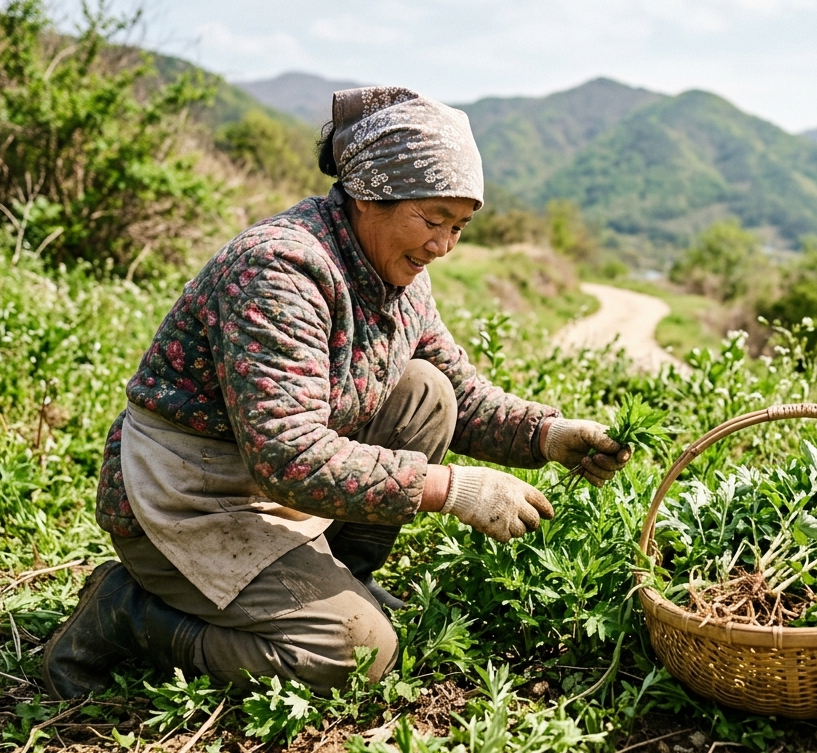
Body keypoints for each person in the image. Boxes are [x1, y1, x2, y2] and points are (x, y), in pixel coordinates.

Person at [40, 86, 632, 699]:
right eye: (431, 221)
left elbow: (460, 390)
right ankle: (128, 614)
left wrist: (547, 434)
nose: (442, 246)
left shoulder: (395, 275)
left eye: (458, 227)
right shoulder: (280, 269)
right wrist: (454, 489)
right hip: (191, 494)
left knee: (425, 392)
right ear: (367, 199)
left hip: (268, 481)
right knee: (355, 654)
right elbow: (287, 454)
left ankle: (345, 575)